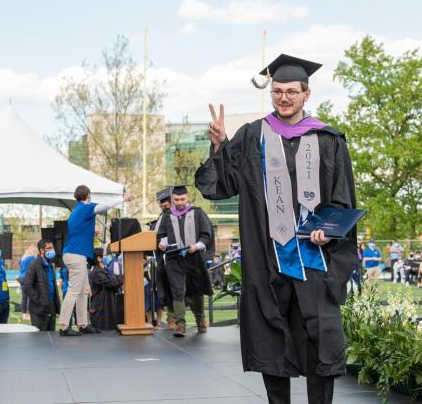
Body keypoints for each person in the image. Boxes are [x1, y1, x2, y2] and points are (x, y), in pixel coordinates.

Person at [195, 54, 357, 404]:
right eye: (278, 91)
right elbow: (220, 185)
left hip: (314, 261)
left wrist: (327, 231)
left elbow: (341, 201)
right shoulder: (254, 136)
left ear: (306, 94)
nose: (284, 98)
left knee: (318, 341)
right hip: (267, 261)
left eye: (292, 92)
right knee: (271, 340)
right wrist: (220, 146)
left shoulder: (328, 139)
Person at [58, 185, 133, 337]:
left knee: (84, 291)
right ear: (88, 195)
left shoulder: (75, 212)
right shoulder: (86, 208)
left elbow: (77, 232)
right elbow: (105, 206)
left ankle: (83, 324)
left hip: (73, 254)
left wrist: (91, 232)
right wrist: (123, 199)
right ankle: (64, 326)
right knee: (74, 290)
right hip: (76, 255)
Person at [157, 185, 214, 337]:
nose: (180, 202)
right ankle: (180, 325)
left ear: (187, 198)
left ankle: (200, 320)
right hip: (174, 259)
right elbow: (161, 235)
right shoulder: (167, 215)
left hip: (193, 257)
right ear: (172, 199)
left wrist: (196, 246)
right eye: (176, 199)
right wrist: (162, 243)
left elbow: (206, 235)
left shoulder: (197, 213)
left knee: (196, 290)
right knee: (177, 291)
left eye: (182, 199)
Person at [23, 239, 61, 331]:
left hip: (51, 308)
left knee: (51, 338)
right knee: (40, 339)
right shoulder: (33, 265)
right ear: (42, 250)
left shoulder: (50, 265)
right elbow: (27, 287)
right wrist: (40, 301)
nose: (52, 250)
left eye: (52, 248)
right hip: (39, 310)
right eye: (49, 248)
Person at [149, 188, 173, 329]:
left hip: (170, 256)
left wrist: (166, 242)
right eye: (161, 204)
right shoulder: (162, 216)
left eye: (165, 204)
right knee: (164, 289)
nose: (163, 206)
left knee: (172, 289)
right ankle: (168, 320)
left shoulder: (173, 215)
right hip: (160, 257)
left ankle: (172, 319)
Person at [89, 247, 123, 330]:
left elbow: (114, 279)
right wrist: (125, 276)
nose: (108, 256)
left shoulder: (104, 269)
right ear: (99, 258)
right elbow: (111, 283)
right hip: (101, 310)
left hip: (107, 308)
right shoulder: (96, 272)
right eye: (105, 255)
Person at [17, 245, 37, 320]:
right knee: (29, 296)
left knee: (24, 296)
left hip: (21, 277)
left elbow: (19, 264)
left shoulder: (24, 257)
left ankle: (24, 313)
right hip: (27, 277)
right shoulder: (31, 258)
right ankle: (28, 313)